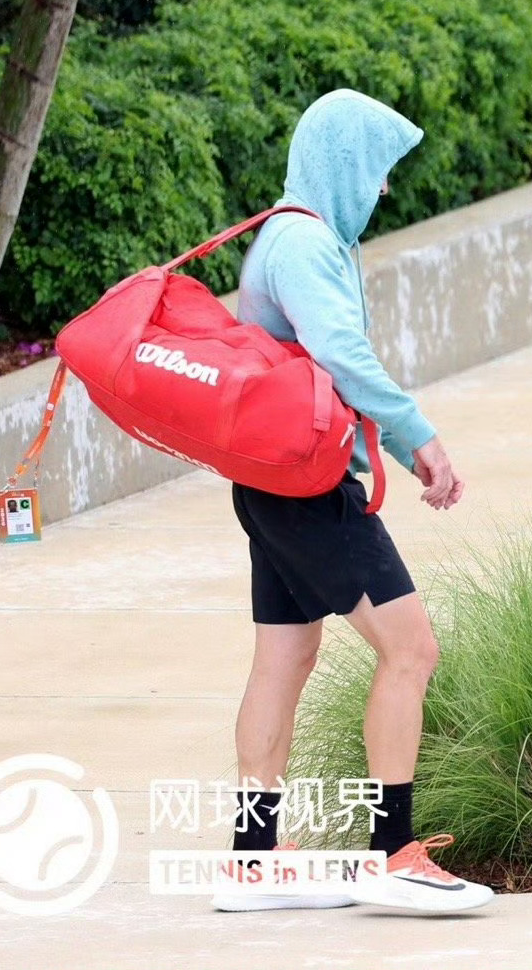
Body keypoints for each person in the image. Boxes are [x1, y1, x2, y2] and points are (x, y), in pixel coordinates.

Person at [215, 89, 492, 912]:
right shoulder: (302, 244)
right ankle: (392, 854)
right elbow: (338, 350)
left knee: (284, 659)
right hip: (303, 488)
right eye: (375, 172)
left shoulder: (291, 236)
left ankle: (253, 860)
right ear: (342, 166)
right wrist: (419, 439)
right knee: (412, 651)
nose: (381, 190)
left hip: (273, 484)